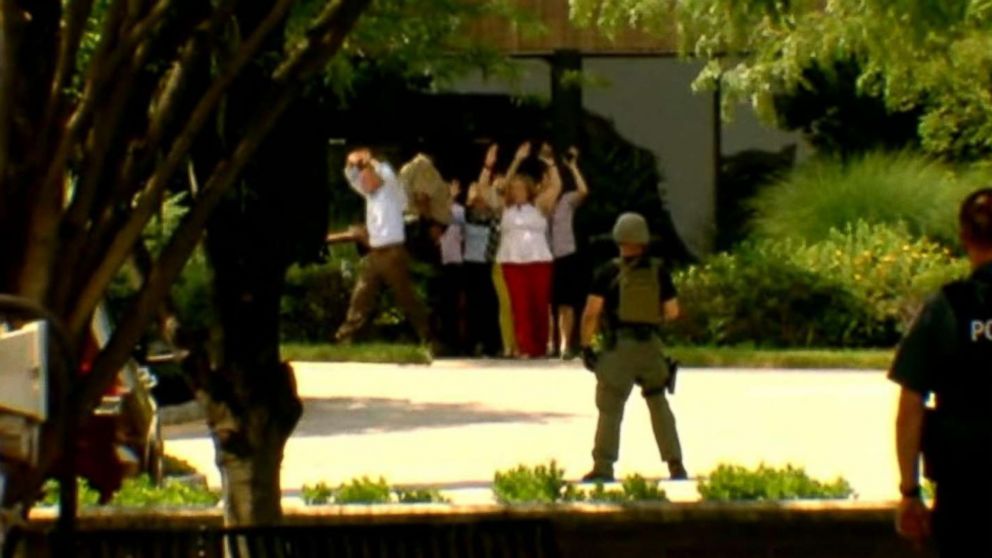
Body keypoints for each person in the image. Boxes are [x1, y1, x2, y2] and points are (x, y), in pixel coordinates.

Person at [891, 189, 992, 557]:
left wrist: (909, 492)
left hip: (964, 487)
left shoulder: (945, 309)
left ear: (964, 237)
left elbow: (911, 404)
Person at [579, 212, 687, 482]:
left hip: (619, 348)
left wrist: (586, 346)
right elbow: (673, 312)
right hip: (650, 346)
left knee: (610, 407)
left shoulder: (608, 272)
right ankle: (675, 464)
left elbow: (592, 313)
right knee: (659, 403)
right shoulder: (658, 271)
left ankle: (604, 467)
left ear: (618, 238)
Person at [334, 148, 431, 344]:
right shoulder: (370, 193)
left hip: (393, 253)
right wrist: (351, 161)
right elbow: (351, 176)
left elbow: (386, 171)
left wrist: (369, 160)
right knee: (361, 294)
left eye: (367, 176)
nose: (363, 182)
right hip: (375, 253)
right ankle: (345, 337)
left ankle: (428, 335)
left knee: (406, 297)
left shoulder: (393, 190)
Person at [486, 141, 562, 359]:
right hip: (511, 261)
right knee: (520, 305)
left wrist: (550, 164)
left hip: (539, 260)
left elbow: (556, 187)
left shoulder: (539, 205)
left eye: (521, 187)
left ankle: (540, 346)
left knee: (539, 305)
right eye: (514, 188)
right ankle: (525, 347)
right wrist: (516, 160)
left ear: (528, 189)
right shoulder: (504, 208)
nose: (516, 190)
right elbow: (499, 188)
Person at [550, 146, 590, 359]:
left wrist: (573, 167)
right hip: (545, 255)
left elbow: (584, 192)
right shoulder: (540, 200)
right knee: (550, 303)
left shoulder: (566, 200)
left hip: (566, 253)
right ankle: (550, 343)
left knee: (567, 302)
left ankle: (566, 344)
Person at [437, 179, 467, 354]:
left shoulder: (460, 211)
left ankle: (458, 343)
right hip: (442, 261)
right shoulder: (437, 209)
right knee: (445, 304)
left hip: (457, 261)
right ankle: (446, 341)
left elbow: (463, 234)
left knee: (457, 304)